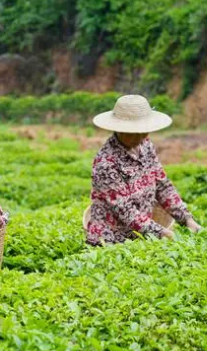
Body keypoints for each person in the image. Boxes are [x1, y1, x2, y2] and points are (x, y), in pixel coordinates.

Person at [86, 94, 201, 245]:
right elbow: (125, 210)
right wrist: (163, 233)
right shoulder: (105, 163)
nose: (140, 136)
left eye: (143, 131)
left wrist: (187, 219)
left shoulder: (146, 146)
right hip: (111, 241)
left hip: (141, 235)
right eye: (133, 133)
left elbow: (162, 185)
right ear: (119, 129)